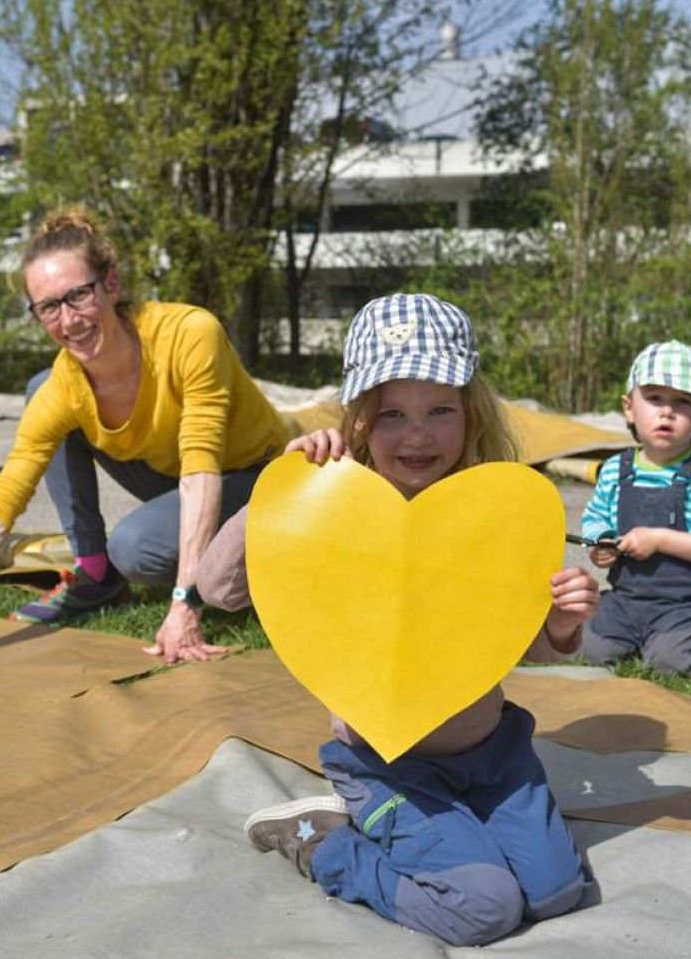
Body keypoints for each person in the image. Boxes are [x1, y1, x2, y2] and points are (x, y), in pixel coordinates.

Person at [197, 293, 597, 947]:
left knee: (557, 893)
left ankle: (444, 830)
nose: (418, 434)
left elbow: (517, 643)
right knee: (484, 908)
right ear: (358, 421)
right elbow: (218, 589)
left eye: (440, 410)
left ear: (471, 416)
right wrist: (285, 482)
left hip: (494, 757)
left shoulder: (491, 513)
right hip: (386, 763)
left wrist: (562, 625)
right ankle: (325, 843)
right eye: (392, 414)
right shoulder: (330, 509)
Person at [0, 204, 288, 668]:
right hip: (172, 472)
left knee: (137, 547)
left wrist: (183, 603)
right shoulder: (64, 387)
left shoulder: (189, 334)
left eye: (78, 296)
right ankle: (95, 572)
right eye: (48, 308)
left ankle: (256, 560)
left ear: (111, 285)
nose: (69, 321)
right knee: (39, 387)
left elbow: (201, 467)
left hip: (252, 473)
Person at [579, 339, 691, 676]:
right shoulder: (615, 469)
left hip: (683, 607)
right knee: (586, 650)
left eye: (682, 402)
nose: (667, 411)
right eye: (654, 399)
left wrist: (659, 539)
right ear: (629, 407)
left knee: (674, 663)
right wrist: (600, 545)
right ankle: (639, 638)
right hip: (625, 600)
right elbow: (594, 518)